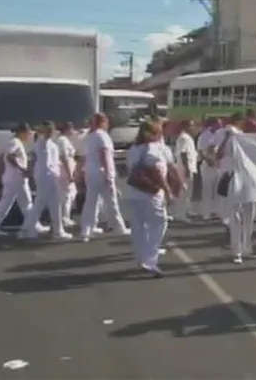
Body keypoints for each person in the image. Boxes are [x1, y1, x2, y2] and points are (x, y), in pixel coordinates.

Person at [126, 119, 173, 276]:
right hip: (150, 192)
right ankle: (150, 260)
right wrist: (167, 190)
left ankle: (141, 257)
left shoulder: (133, 148)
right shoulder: (152, 149)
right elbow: (157, 171)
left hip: (134, 191)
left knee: (138, 226)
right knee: (159, 223)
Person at [213, 112, 256, 263]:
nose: (254, 127)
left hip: (249, 178)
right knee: (236, 216)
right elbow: (218, 155)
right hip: (233, 176)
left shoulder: (252, 140)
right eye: (250, 124)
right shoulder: (229, 135)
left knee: (249, 215)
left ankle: (247, 248)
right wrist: (228, 138)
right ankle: (237, 251)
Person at [80, 113, 129, 241]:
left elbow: (85, 157)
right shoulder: (103, 136)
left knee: (91, 202)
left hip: (91, 173)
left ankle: (86, 230)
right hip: (102, 173)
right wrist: (109, 174)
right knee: (111, 201)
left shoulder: (89, 136)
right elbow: (105, 156)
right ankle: (119, 227)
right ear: (103, 122)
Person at [23, 121, 70, 240]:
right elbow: (39, 160)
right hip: (46, 177)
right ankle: (57, 231)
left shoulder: (51, 143)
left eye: (51, 130)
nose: (50, 132)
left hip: (50, 176)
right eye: (47, 130)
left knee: (44, 203)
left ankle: (29, 229)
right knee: (49, 203)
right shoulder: (41, 142)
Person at [0, 123, 35, 236]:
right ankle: (33, 225)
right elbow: (10, 156)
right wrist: (22, 169)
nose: (29, 136)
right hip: (16, 178)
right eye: (28, 133)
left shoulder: (15, 142)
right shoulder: (15, 142)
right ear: (22, 132)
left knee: (8, 204)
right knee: (25, 203)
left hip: (14, 178)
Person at [55, 122, 78, 233]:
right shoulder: (62, 141)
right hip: (64, 171)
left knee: (69, 193)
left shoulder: (64, 140)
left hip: (66, 170)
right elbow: (64, 157)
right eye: (71, 129)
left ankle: (65, 216)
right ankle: (65, 217)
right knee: (67, 195)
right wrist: (69, 174)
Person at [172, 119, 197, 222]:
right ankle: (180, 214)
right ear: (185, 126)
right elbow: (183, 154)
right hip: (184, 167)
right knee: (183, 191)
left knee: (188, 191)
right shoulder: (184, 138)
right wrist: (186, 169)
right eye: (190, 126)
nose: (193, 128)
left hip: (189, 166)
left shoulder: (187, 137)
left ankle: (187, 210)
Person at [197, 117, 221, 221]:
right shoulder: (204, 136)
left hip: (218, 165)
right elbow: (201, 152)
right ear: (212, 124)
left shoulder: (219, 135)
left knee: (217, 190)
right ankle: (206, 213)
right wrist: (209, 161)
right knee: (207, 190)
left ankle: (215, 210)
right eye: (218, 124)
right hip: (207, 166)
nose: (220, 126)